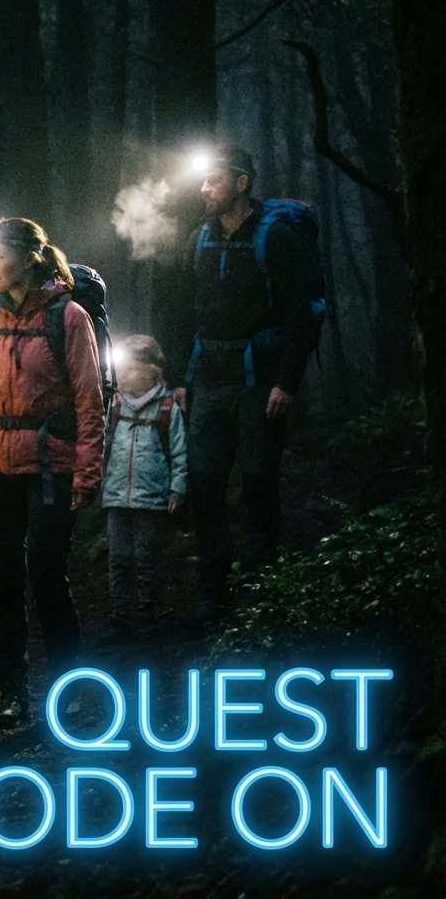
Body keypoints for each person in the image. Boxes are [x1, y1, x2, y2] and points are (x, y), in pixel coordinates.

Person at [0, 218, 105, 719]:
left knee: (45, 572)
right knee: (3, 578)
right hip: (1, 467)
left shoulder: (69, 318)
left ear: (28, 258)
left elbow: (90, 399)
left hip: (54, 467)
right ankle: (12, 691)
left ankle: (71, 687)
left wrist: (88, 473)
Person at [170, 146, 316, 618]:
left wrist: (286, 382)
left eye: (214, 181)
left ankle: (262, 589)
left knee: (257, 481)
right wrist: (178, 378)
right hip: (209, 378)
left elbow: (302, 312)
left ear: (241, 182)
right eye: (203, 181)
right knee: (204, 484)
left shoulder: (277, 239)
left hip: (261, 380)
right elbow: (181, 313)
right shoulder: (198, 240)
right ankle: (215, 591)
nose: (204, 189)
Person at [101, 335, 187, 634]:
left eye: (132, 368)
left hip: (151, 498)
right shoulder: (112, 406)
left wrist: (177, 489)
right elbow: (101, 448)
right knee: (119, 558)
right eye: (121, 369)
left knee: (146, 557)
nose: (123, 374)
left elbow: (178, 452)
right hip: (115, 496)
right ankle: (119, 614)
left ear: (151, 370)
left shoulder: (166, 408)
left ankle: (146, 612)